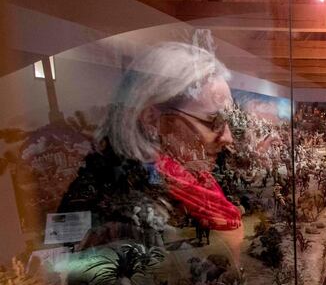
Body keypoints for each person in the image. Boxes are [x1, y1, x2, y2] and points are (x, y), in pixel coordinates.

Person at [59, 42, 243, 265]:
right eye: (214, 120)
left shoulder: (181, 183)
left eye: (228, 122)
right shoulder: (124, 207)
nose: (228, 137)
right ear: (152, 119)